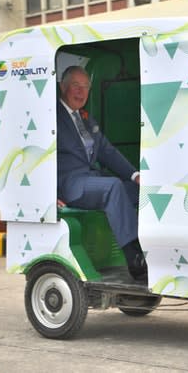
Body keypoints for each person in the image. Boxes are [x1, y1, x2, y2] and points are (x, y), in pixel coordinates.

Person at [56, 65, 146, 281]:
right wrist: (47, 194)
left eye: (85, 87)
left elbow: (107, 150)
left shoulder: (86, 118)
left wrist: (136, 176)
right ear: (63, 87)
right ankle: (134, 255)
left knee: (141, 191)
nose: (80, 91)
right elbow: (36, 156)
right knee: (114, 186)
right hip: (71, 185)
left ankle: (154, 245)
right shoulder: (52, 116)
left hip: (92, 181)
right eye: (75, 86)